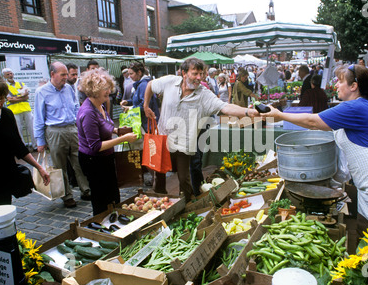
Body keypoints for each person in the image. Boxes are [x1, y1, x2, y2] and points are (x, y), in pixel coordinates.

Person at [261, 64, 368, 240]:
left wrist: (279, 115)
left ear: (353, 86)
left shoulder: (356, 107)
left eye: (340, 81)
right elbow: (321, 128)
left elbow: (313, 121)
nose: (336, 86)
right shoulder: (355, 106)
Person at [143, 57, 259, 202]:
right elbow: (150, 85)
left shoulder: (204, 94)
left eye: (201, 74)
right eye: (195, 73)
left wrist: (247, 112)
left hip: (184, 143)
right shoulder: (169, 82)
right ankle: (160, 204)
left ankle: (186, 206)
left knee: (184, 178)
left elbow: (224, 106)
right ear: (184, 73)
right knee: (159, 176)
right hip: (163, 138)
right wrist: (146, 106)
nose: (199, 78)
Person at [77, 68, 138, 215]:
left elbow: (104, 125)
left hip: (106, 157)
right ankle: (101, 225)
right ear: (94, 90)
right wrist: (122, 139)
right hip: (94, 160)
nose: (108, 91)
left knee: (112, 194)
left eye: (108, 88)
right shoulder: (88, 112)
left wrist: (117, 130)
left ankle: (114, 220)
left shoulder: (100, 105)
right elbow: (95, 146)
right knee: (101, 198)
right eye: (105, 89)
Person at [34, 61, 91, 208]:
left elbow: (76, 107)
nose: (66, 77)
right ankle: (67, 195)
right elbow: (39, 117)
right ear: (52, 74)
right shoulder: (42, 92)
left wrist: (80, 126)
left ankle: (86, 190)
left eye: (67, 74)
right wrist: (40, 141)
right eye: (63, 74)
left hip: (72, 129)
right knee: (60, 166)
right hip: (55, 131)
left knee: (80, 160)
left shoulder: (69, 89)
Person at [0, 76, 50, 206]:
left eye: (1, 99)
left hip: (3, 178)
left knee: (4, 214)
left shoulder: (6, 115)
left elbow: (18, 147)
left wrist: (39, 168)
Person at [120, 62, 165, 193]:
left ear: (139, 73)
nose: (130, 76)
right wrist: (128, 102)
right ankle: (155, 178)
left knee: (150, 152)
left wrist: (130, 108)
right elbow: (139, 101)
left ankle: (156, 180)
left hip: (148, 125)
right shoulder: (141, 84)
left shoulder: (144, 85)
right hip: (146, 124)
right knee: (149, 152)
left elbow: (145, 105)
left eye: (131, 74)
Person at [2, 68, 37, 151]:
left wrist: (16, 98)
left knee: (32, 127)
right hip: (14, 111)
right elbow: (10, 99)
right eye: (8, 74)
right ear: (4, 76)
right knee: (18, 130)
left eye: (11, 73)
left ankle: (35, 146)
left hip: (26, 109)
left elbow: (27, 96)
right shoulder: (5, 86)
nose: (10, 75)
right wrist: (22, 97)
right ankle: (23, 147)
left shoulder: (20, 83)